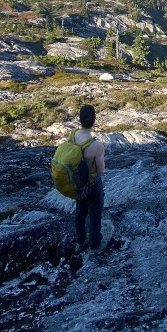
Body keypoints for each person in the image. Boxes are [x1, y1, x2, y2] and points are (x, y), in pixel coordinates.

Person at [74, 103, 107, 253]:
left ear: (79, 119)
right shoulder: (96, 146)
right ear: (94, 120)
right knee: (95, 213)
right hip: (93, 184)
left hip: (78, 182)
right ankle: (95, 243)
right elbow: (100, 171)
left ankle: (80, 242)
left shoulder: (73, 136)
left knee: (80, 213)